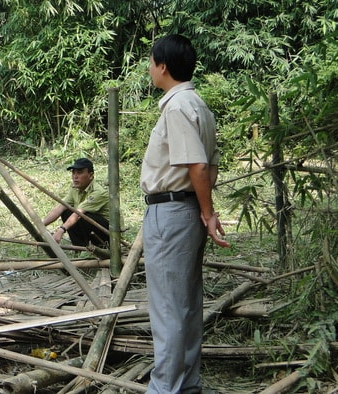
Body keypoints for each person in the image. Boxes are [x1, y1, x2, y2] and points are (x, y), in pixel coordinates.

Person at [140, 34, 230, 394]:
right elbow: (210, 167)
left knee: (169, 308)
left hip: (173, 211)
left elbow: (196, 164)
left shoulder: (177, 107)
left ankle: (165, 388)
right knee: (187, 305)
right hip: (187, 208)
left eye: (151, 62)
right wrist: (204, 209)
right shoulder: (198, 104)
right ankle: (186, 384)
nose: (149, 68)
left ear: (163, 66)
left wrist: (208, 213)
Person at [42, 158, 110, 248]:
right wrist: (41, 225)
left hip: (108, 233)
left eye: (80, 172)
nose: (75, 176)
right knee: (66, 211)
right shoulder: (75, 189)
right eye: (73, 173)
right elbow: (60, 207)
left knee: (80, 216)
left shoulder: (99, 192)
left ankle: (98, 246)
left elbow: (78, 214)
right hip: (90, 225)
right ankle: (79, 248)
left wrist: (61, 230)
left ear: (90, 175)